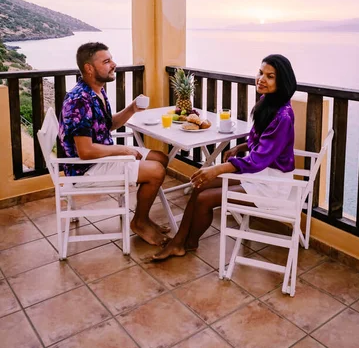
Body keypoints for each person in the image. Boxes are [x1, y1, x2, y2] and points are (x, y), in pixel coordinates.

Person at [153, 53, 297, 260]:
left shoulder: (283, 115)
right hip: (259, 172)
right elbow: (266, 142)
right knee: (199, 184)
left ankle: (187, 242)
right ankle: (181, 242)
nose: (261, 79)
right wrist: (241, 146)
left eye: (270, 76)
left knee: (204, 199)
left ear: (283, 80)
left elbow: (258, 160)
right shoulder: (269, 102)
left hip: (270, 182)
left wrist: (217, 169)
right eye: (260, 73)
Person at [59, 42, 169, 247]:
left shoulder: (96, 91)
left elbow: (107, 126)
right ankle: (140, 222)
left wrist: (132, 108)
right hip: (86, 169)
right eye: (107, 61)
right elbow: (85, 151)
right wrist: (123, 149)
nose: (114, 64)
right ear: (89, 68)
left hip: (101, 156)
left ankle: (142, 216)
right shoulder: (79, 100)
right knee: (155, 170)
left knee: (161, 158)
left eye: (112, 60)